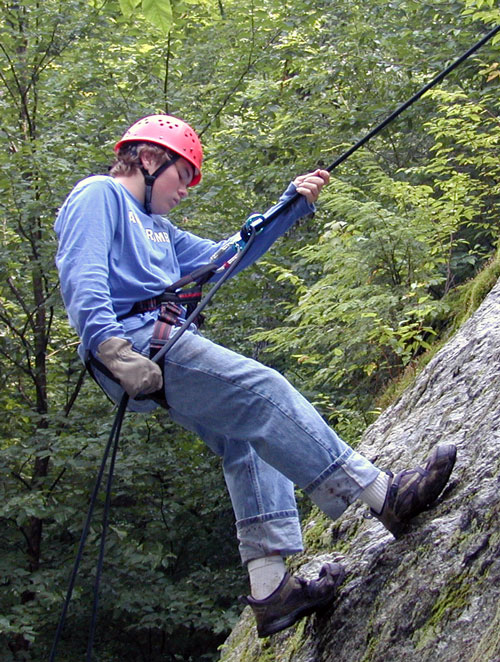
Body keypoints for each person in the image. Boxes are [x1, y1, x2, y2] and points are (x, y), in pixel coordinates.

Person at [54, 114, 457, 639]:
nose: (185, 191)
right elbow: (81, 274)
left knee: (245, 439)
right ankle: (386, 496)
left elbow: (226, 257)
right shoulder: (99, 196)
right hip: (133, 346)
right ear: (150, 160)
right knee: (264, 392)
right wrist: (112, 350)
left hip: (150, 347)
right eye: (183, 176)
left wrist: (291, 205)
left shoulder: (160, 229)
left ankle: (270, 591)